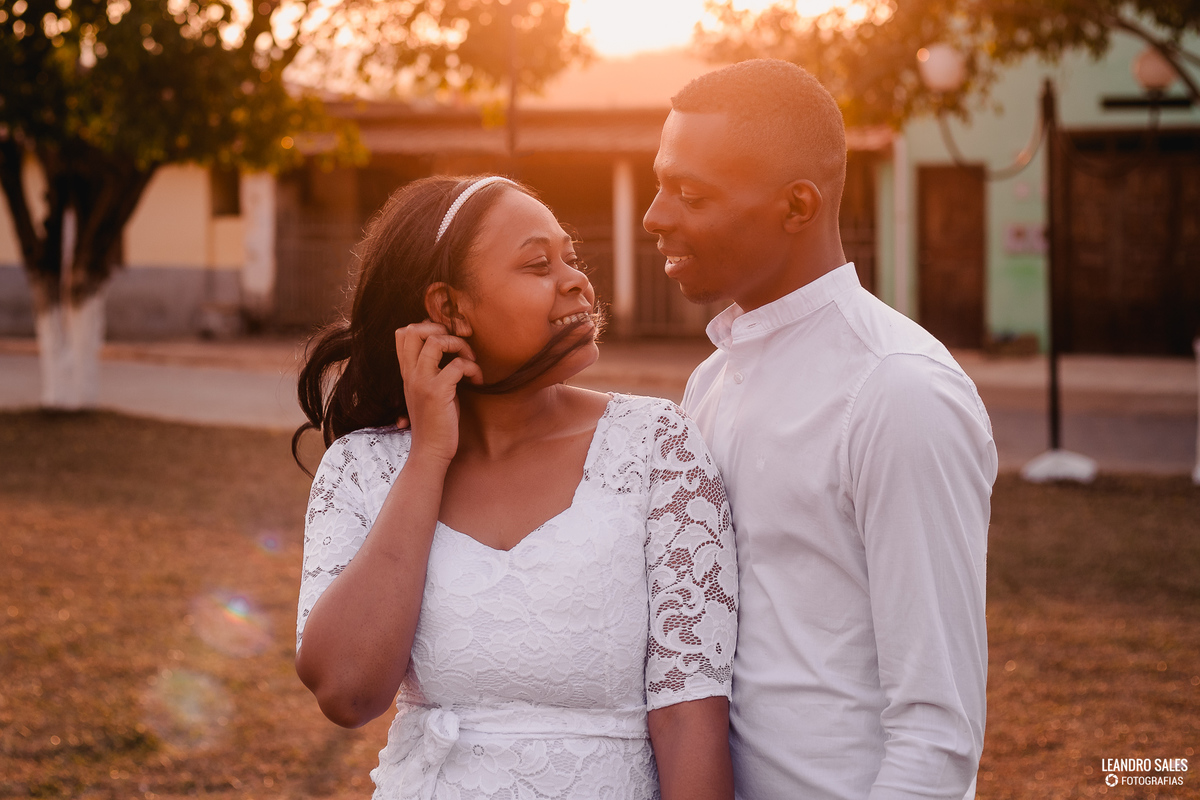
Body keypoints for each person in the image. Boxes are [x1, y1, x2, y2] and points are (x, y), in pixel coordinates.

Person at [292, 174, 738, 800]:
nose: (577, 281)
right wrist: (429, 456)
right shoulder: (362, 470)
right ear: (448, 309)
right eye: (537, 264)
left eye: (570, 258)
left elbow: (690, 716)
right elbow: (347, 690)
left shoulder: (655, 445)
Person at [643, 60, 997, 800]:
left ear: (797, 205)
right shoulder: (711, 381)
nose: (655, 217)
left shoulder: (896, 390)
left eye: (690, 193)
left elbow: (939, 730)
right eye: (658, 185)